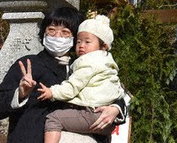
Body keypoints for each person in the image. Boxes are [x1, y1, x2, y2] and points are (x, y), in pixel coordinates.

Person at [0, 7, 125, 143]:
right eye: (51, 30)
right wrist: (20, 94)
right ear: (44, 33)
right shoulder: (29, 64)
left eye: (65, 32)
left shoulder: (84, 66)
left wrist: (115, 109)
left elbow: (112, 90)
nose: (57, 36)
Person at [37, 14, 125, 143]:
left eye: (87, 42)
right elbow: (119, 91)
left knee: (53, 119)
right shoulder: (107, 63)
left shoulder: (88, 62)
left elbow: (72, 87)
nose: (81, 45)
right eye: (78, 41)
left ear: (103, 46)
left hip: (91, 114)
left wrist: (52, 92)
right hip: (104, 121)